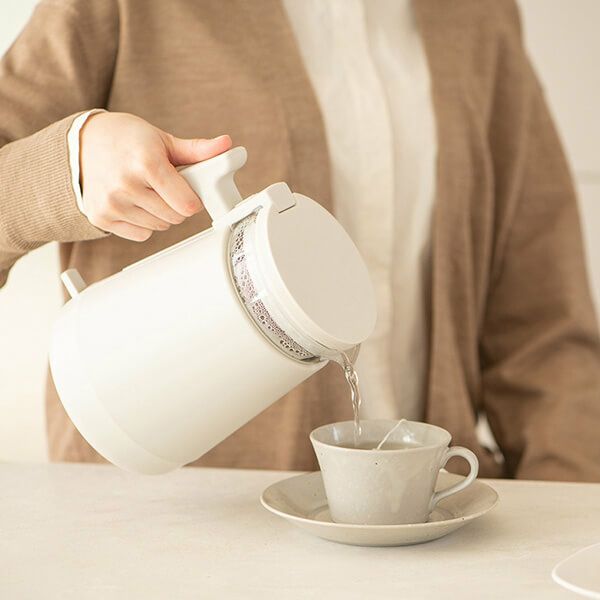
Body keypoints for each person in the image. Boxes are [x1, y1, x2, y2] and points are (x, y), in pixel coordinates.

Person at [1, 0, 599, 481]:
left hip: (428, 529)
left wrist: (563, 519)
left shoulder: (476, 17)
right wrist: (73, 162)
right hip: (171, 532)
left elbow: (544, 329)